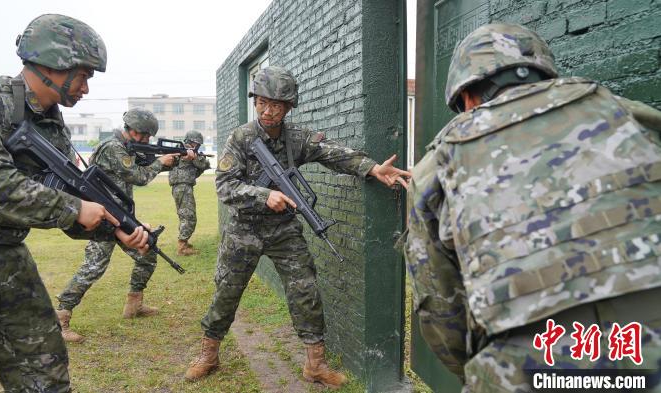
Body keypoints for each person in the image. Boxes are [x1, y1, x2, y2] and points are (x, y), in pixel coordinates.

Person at [404, 23, 661, 392]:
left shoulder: (436, 166)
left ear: (468, 97)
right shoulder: (626, 113)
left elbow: (441, 308)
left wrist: (476, 372)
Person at [184, 66, 411, 389]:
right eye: (262, 102)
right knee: (227, 291)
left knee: (306, 290)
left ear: (289, 106)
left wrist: (372, 168)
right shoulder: (241, 138)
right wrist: (264, 195)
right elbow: (224, 186)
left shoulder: (296, 139)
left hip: (283, 231)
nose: (267, 110)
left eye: (276, 104)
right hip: (243, 230)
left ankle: (315, 364)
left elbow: (333, 153)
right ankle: (209, 354)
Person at [0, 14, 150, 392]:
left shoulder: (51, 123)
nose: (85, 89)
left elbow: (68, 203)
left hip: (9, 254)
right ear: (52, 63)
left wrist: (116, 230)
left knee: (45, 372)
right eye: (82, 77)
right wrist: (76, 209)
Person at [55, 108, 194, 343]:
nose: (148, 140)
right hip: (104, 218)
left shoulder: (125, 147)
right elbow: (139, 176)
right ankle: (61, 318)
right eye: (146, 136)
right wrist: (161, 163)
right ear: (134, 131)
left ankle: (134, 304)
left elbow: (143, 164)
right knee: (94, 267)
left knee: (147, 252)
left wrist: (174, 158)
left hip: (120, 216)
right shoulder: (112, 148)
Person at [169, 130, 211, 256]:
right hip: (183, 186)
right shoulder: (187, 151)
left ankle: (184, 242)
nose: (197, 147)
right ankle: (182, 247)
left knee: (184, 215)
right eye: (196, 144)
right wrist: (202, 158)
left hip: (180, 186)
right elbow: (202, 164)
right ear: (191, 142)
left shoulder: (180, 150)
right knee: (189, 216)